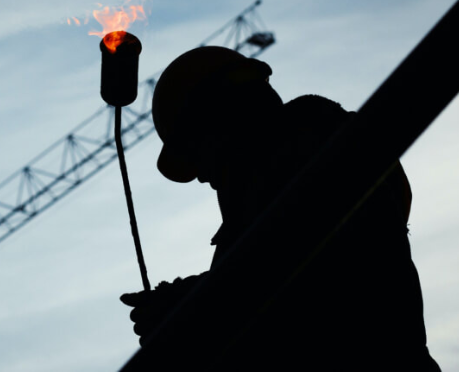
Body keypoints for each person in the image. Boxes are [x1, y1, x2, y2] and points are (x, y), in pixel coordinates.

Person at [120, 46, 440, 371]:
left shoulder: (322, 154)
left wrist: (188, 311)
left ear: (220, 118)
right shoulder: (274, 201)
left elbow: (296, 287)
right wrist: (187, 308)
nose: (201, 175)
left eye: (196, 152)